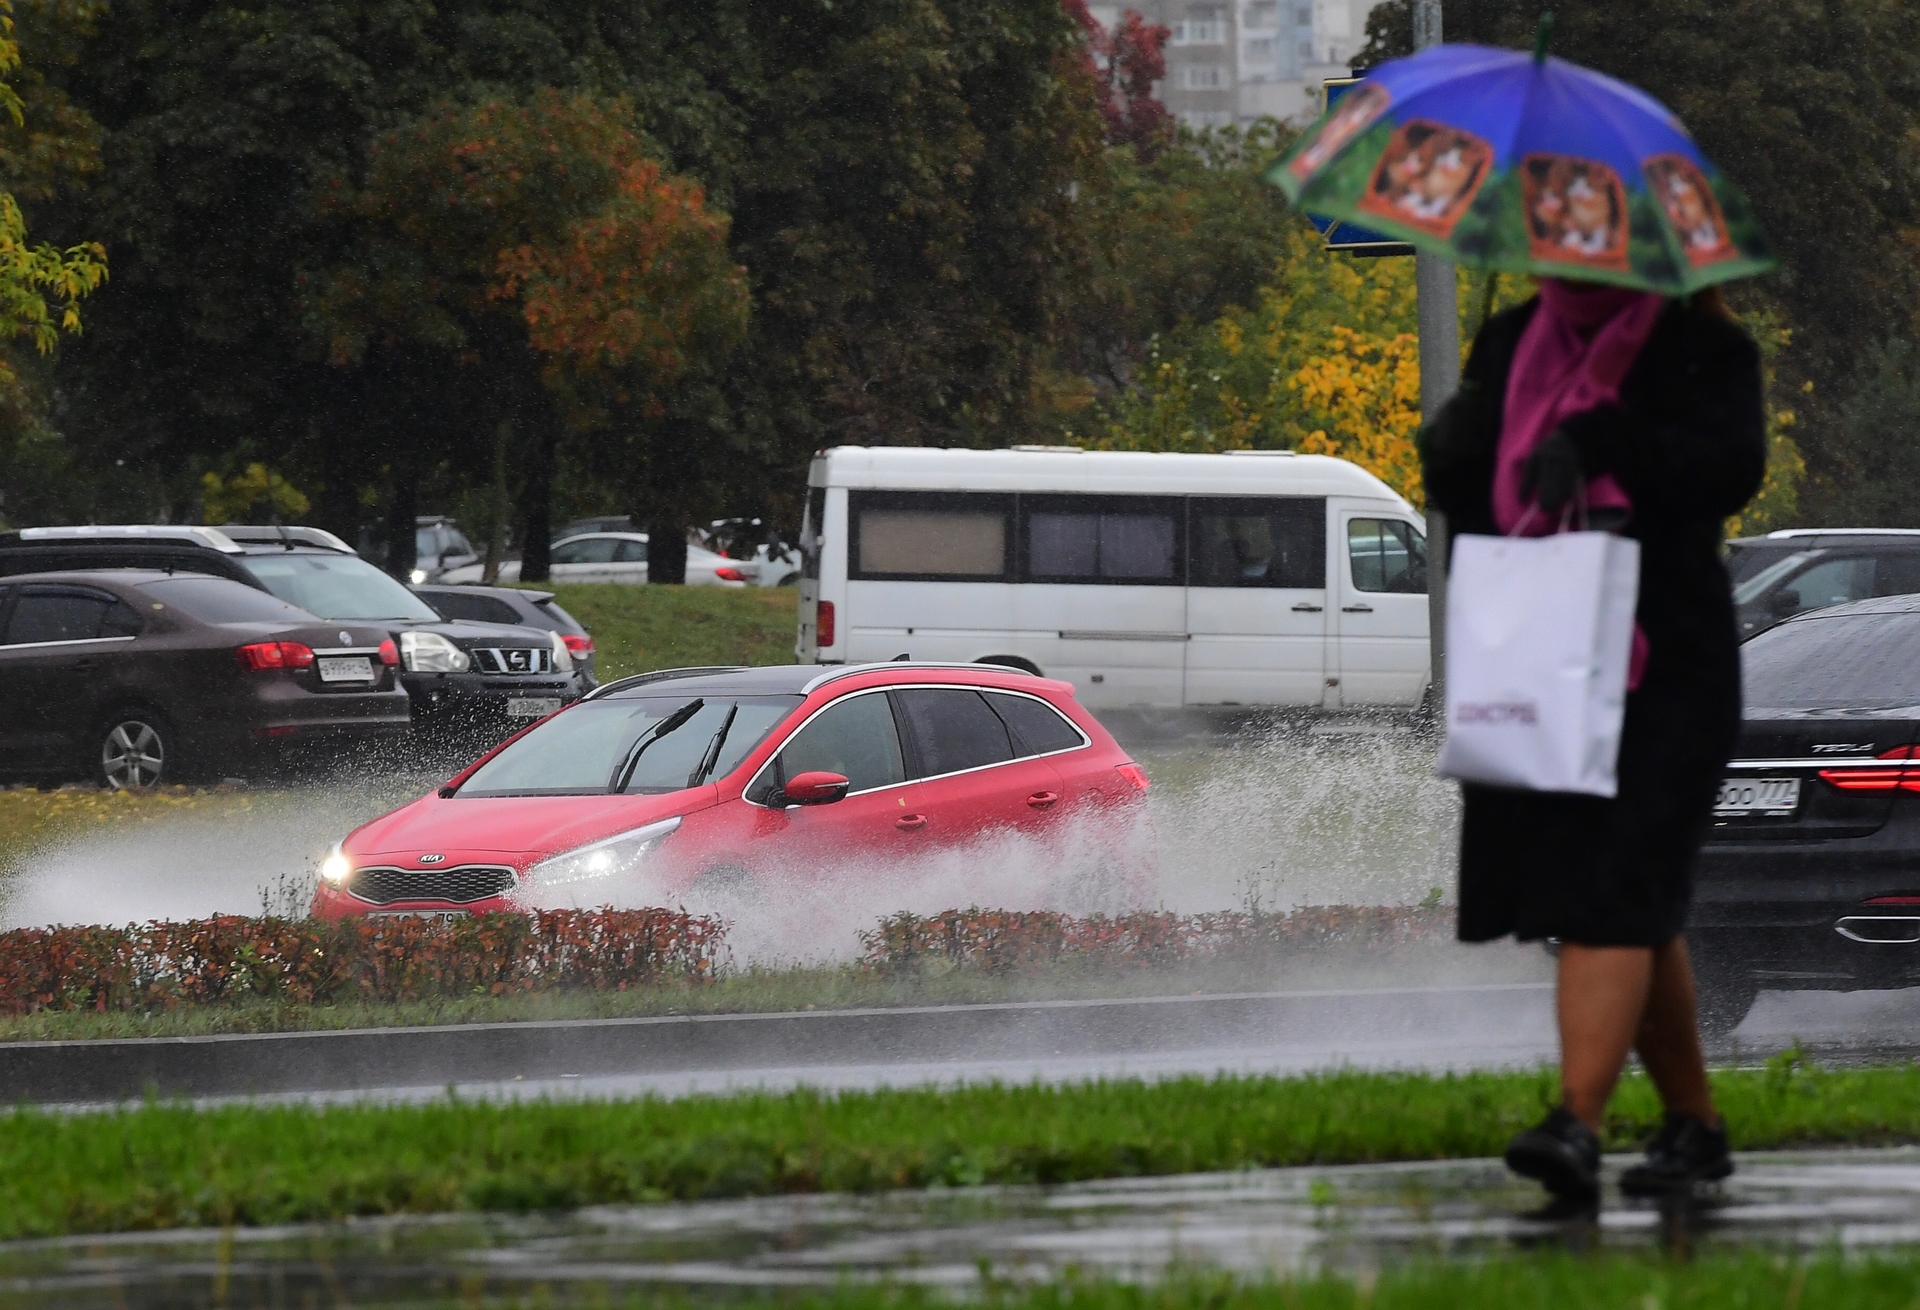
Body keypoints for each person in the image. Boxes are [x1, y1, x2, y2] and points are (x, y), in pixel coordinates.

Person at [1418, 277, 1766, 1204]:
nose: (1560, 242)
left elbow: (1730, 473)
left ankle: (1575, 1122)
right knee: (1631, 899)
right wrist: (1456, 451)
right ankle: (1694, 1126)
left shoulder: (1704, 347)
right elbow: (1469, 490)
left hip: (1666, 666)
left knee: (1615, 890)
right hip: (1544, 657)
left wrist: (1612, 440)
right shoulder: (1513, 339)